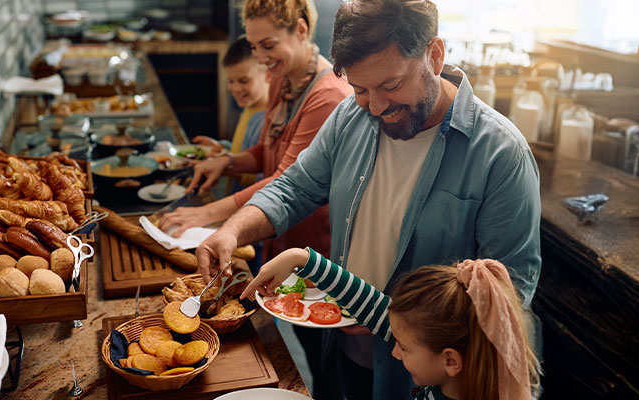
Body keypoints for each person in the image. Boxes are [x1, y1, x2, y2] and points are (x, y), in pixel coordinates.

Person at [192, 0, 542, 398]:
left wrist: (389, 318)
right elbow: (294, 188)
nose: (375, 106)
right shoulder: (349, 116)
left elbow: (508, 295)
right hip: (341, 346)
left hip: (424, 380)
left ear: (434, 55)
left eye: (391, 85)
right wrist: (232, 231)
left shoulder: (500, 154)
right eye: (360, 89)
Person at [159, 1, 352, 397]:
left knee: (323, 355)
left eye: (268, 45)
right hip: (279, 236)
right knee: (295, 343)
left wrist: (204, 214)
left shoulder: (328, 95)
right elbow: (268, 152)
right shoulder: (283, 78)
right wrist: (228, 162)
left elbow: (287, 179)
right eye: (253, 46)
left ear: (301, 30)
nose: (261, 57)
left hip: (315, 248)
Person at [244, 248, 541, 400]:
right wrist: (301, 258)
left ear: (450, 360)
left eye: (403, 347)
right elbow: (373, 306)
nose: (395, 352)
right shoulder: (439, 353)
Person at [190, 36, 270, 195]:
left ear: (268, 75)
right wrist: (222, 148)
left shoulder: (269, 119)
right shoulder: (249, 108)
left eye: (244, 81)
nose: (235, 88)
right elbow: (243, 148)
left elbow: (265, 176)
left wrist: (224, 165)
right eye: (231, 81)